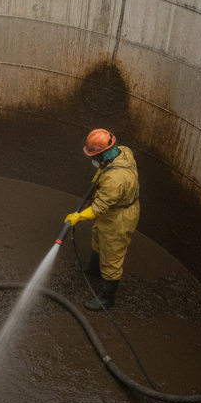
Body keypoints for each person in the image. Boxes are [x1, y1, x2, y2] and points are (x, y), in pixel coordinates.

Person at [63, 128, 139, 310]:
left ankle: (107, 298)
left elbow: (98, 208)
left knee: (111, 256)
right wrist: (101, 172)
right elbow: (107, 173)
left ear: (102, 153)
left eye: (94, 155)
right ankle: (94, 268)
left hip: (119, 218)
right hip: (111, 211)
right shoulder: (124, 151)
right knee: (98, 235)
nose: (92, 159)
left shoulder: (115, 180)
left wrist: (78, 217)